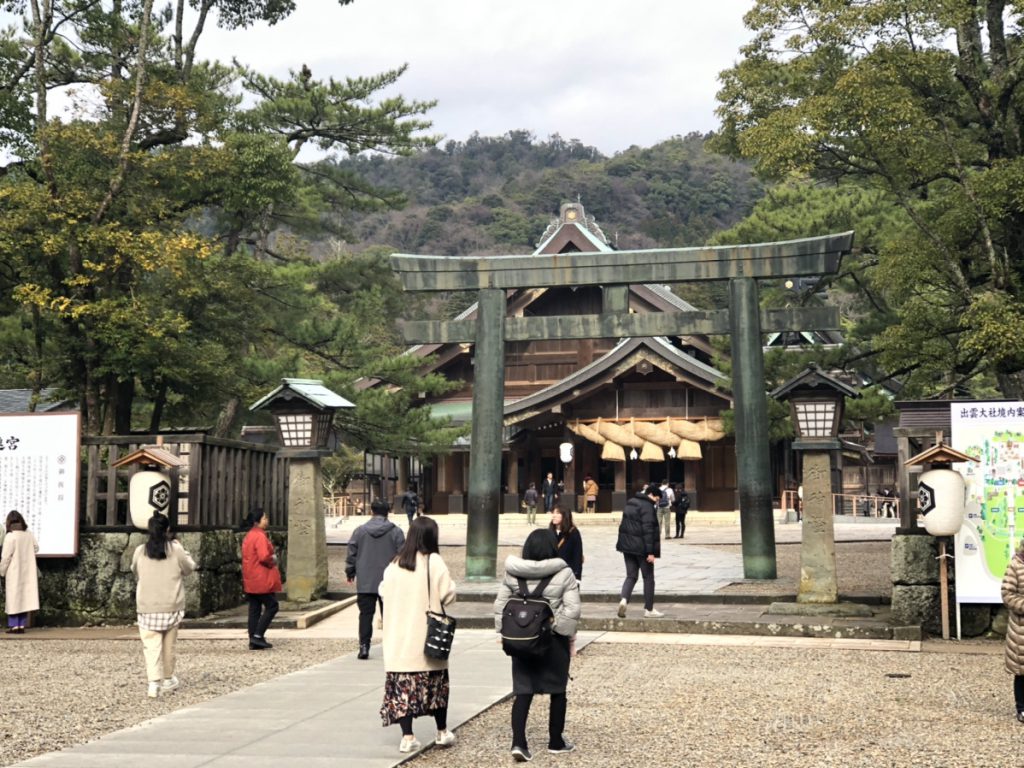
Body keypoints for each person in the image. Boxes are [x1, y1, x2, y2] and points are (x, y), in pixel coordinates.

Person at [494, 528, 581, 762]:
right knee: (558, 691)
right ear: (553, 547)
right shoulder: (564, 573)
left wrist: (505, 632)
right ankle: (555, 741)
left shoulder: (513, 573)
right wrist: (553, 628)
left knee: (523, 691)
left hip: (521, 639)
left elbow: (500, 606)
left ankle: (519, 743)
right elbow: (573, 609)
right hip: (553, 642)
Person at [378, 516, 457, 754]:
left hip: (399, 641)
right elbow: (449, 594)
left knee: (403, 691)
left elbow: (382, 591)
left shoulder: (394, 564)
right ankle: (442, 731)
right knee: (436, 688)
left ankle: (407, 736)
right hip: (426, 639)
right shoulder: (433, 561)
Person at [131, 513, 196, 698]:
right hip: (171, 604)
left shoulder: (140, 551)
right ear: (168, 529)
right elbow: (189, 567)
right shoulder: (175, 549)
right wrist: (183, 550)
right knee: (169, 645)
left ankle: (153, 683)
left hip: (147, 605)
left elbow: (134, 569)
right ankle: (168, 678)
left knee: (151, 646)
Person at [346, 497, 405, 659]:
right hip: (389, 580)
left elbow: (352, 552)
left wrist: (350, 572)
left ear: (371, 511)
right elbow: (403, 555)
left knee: (365, 614)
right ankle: (392, 647)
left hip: (366, 579)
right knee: (389, 614)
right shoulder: (396, 532)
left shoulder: (360, 531)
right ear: (388, 512)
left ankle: (364, 646)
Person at [616, 482, 664, 619]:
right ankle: (649, 609)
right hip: (642, 548)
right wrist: (650, 552)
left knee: (631, 576)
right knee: (648, 577)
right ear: (651, 495)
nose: (656, 502)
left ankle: (624, 599)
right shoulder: (648, 506)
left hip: (627, 546)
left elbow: (623, 525)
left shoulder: (630, 502)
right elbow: (648, 530)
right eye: (657, 499)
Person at [241, 507, 283, 651]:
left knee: (254, 608)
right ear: (257, 521)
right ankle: (258, 635)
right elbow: (264, 556)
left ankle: (253, 638)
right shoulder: (259, 536)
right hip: (261, 577)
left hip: (250, 576)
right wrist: (273, 559)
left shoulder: (249, 535)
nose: (267, 520)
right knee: (272, 606)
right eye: (264, 518)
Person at [1, 511, 39, 634]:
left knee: (14, 598)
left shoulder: (10, 536)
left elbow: (6, 557)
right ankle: (21, 625)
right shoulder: (28, 535)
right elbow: (36, 548)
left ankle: (14, 625)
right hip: (27, 569)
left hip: (14, 570)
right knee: (24, 598)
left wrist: (2, 571)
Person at [1003, 540, 1024, 722]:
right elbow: (1008, 594)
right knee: (1022, 672)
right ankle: (1022, 707)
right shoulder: (1016, 565)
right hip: (1021, 628)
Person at [550, 505, 583, 583]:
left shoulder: (573, 532)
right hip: (552, 574)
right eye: (553, 513)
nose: (554, 516)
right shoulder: (549, 532)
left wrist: (577, 577)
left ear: (565, 515)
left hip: (567, 574)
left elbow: (577, 556)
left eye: (557, 513)